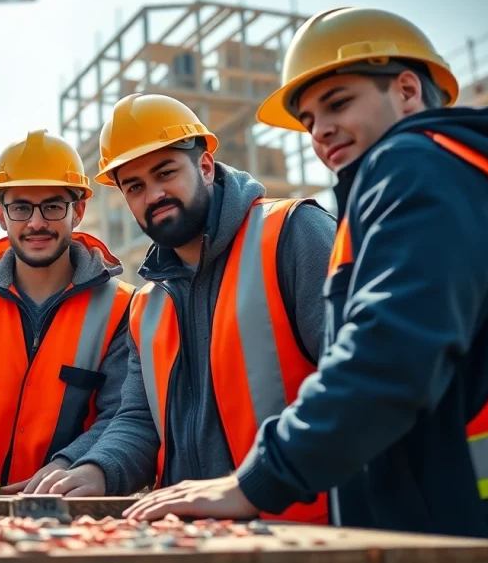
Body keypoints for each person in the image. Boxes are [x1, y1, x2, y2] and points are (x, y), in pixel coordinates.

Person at [121, 7, 488, 542]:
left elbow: (386, 356)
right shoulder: (451, 172)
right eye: (308, 119)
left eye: (338, 103)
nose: (321, 131)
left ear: (408, 90)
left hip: (454, 518)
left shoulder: (415, 170)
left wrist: (258, 479)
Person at [32, 94, 336, 524]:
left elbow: (354, 387)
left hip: (306, 535)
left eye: (166, 172)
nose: (153, 195)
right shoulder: (147, 305)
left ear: (206, 167)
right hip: (191, 539)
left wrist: (256, 482)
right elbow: (139, 421)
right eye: (134, 186)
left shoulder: (293, 234)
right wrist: (96, 468)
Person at [0, 130, 135, 495]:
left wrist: (71, 464)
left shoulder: (122, 308)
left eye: (52, 206)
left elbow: (124, 417)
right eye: (20, 207)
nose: (36, 223)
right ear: (1, 216)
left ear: (78, 212)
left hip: (79, 511)